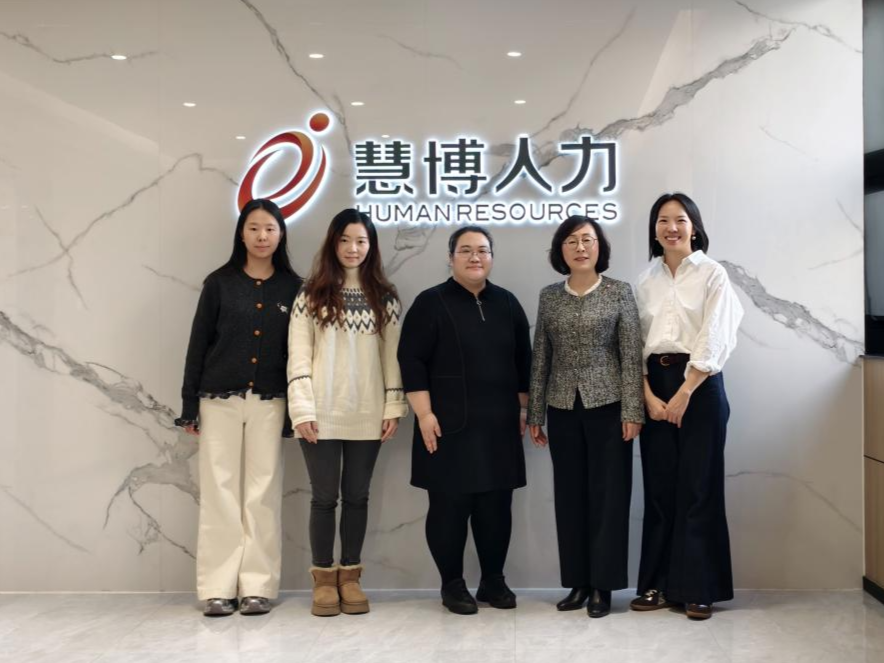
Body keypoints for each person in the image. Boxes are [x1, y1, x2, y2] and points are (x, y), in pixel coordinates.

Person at [175, 198, 302, 616]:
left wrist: (296, 411)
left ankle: (257, 587)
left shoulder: (294, 287)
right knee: (220, 491)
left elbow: (300, 353)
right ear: (241, 234)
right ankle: (218, 588)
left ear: (281, 234)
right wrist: (189, 404)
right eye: (254, 228)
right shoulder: (219, 283)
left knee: (262, 493)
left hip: (271, 401)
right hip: (219, 400)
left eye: (270, 228)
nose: (262, 236)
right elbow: (197, 344)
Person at [397, 225, 531, 615]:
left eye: (483, 250)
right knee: (449, 507)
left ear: (492, 257)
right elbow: (411, 361)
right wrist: (424, 414)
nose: (475, 257)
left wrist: (523, 410)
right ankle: (452, 584)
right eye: (466, 250)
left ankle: (493, 581)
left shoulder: (507, 303)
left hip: (499, 425)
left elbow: (524, 362)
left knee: (496, 507)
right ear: (450, 257)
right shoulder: (431, 302)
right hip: (446, 425)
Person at [287, 209, 407, 617]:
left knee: (357, 496)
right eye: (344, 240)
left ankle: (351, 577)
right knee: (324, 498)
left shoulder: (384, 296)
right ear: (332, 243)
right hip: (319, 411)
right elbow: (298, 354)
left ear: (371, 246)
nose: (352, 248)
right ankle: (323, 579)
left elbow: (392, 356)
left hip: (368, 412)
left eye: (361, 241)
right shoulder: (311, 293)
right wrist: (302, 408)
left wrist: (393, 405)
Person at [631, 192, 743, 620]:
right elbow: (633, 343)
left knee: (699, 488)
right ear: (654, 229)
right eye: (663, 220)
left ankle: (698, 588)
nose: (671, 227)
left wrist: (684, 392)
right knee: (660, 490)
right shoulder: (644, 280)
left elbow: (717, 335)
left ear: (694, 227)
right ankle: (657, 585)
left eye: (679, 219)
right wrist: (647, 394)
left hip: (700, 386)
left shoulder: (713, 274)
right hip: (654, 387)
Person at [527, 215, 644, 618]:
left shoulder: (619, 291)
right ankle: (578, 582)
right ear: (561, 250)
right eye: (572, 241)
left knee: (609, 497)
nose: (580, 247)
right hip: (562, 407)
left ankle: (603, 586)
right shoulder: (549, 296)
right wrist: (535, 412)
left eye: (588, 240)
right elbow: (541, 355)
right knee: (570, 496)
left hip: (609, 407)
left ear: (600, 248)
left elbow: (631, 355)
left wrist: (633, 409)